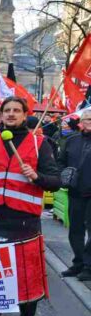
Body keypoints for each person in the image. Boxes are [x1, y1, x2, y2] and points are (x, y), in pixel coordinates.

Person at [0, 97, 61, 316]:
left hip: (25, 219)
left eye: (16, 111)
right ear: (1, 115)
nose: (11, 114)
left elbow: (55, 180)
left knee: (26, 274)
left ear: (25, 114)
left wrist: (37, 177)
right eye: (7, 111)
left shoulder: (39, 143)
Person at [58, 108, 91, 280]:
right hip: (75, 192)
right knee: (75, 231)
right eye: (88, 120)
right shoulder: (71, 140)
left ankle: (88, 266)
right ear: (82, 122)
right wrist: (63, 174)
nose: (90, 123)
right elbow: (60, 161)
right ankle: (78, 262)